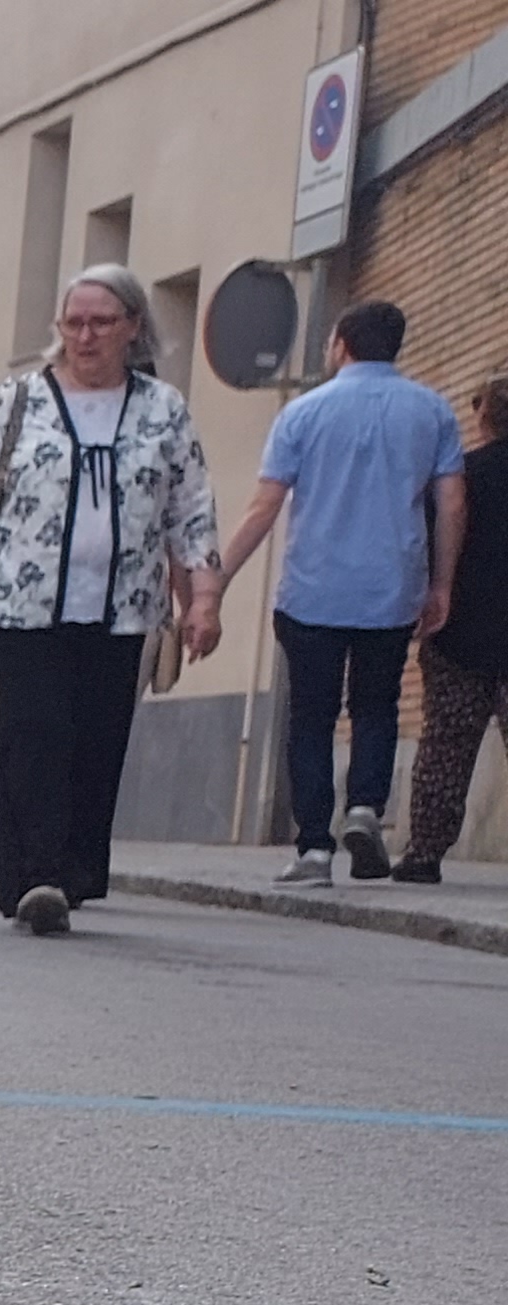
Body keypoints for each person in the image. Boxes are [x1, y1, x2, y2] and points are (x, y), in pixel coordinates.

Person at [0, 261, 225, 935]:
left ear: (133, 328)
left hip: (122, 606)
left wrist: (202, 598)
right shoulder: (15, 402)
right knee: (34, 733)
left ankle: (72, 870)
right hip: (24, 603)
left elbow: (191, 509)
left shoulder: (163, 409)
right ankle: (33, 876)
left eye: (101, 323)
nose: (85, 336)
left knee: (97, 739)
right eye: (74, 323)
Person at [215, 298, 469, 885]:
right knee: (376, 706)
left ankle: (313, 850)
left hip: (313, 590)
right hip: (391, 589)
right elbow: (451, 501)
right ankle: (364, 808)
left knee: (311, 717)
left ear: (340, 344)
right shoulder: (432, 412)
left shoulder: (303, 413)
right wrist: (442, 583)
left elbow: (264, 506)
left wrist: (220, 578)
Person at [394, 373, 508, 881]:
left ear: (484, 417)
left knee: (446, 746)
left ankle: (424, 854)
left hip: (462, 632)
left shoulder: (460, 476)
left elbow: (428, 541)